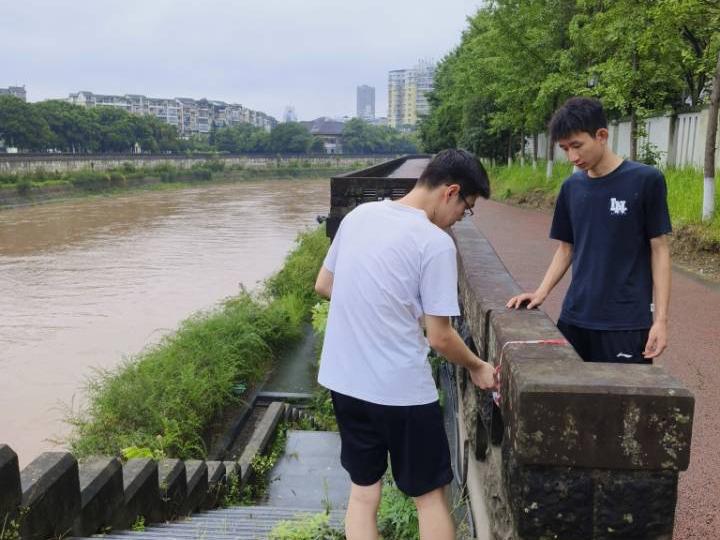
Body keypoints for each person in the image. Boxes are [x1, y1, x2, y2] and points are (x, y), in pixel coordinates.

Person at [314, 149, 497, 540]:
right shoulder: (435, 243)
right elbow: (440, 337)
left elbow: (325, 285)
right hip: (401, 393)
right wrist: (478, 366)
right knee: (429, 497)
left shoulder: (359, 216)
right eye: (465, 208)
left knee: (363, 493)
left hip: (344, 382)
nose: (460, 218)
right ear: (450, 191)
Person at [507, 97, 672, 363]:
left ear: (601, 136)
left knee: (622, 391)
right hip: (575, 318)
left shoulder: (645, 180)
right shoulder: (571, 188)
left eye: (577, 146)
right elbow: (566, 249)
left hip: (626, 323)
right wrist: (540, 292)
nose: (572, 157)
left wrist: (661, 321)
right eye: (565, 149)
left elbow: (660, 249)